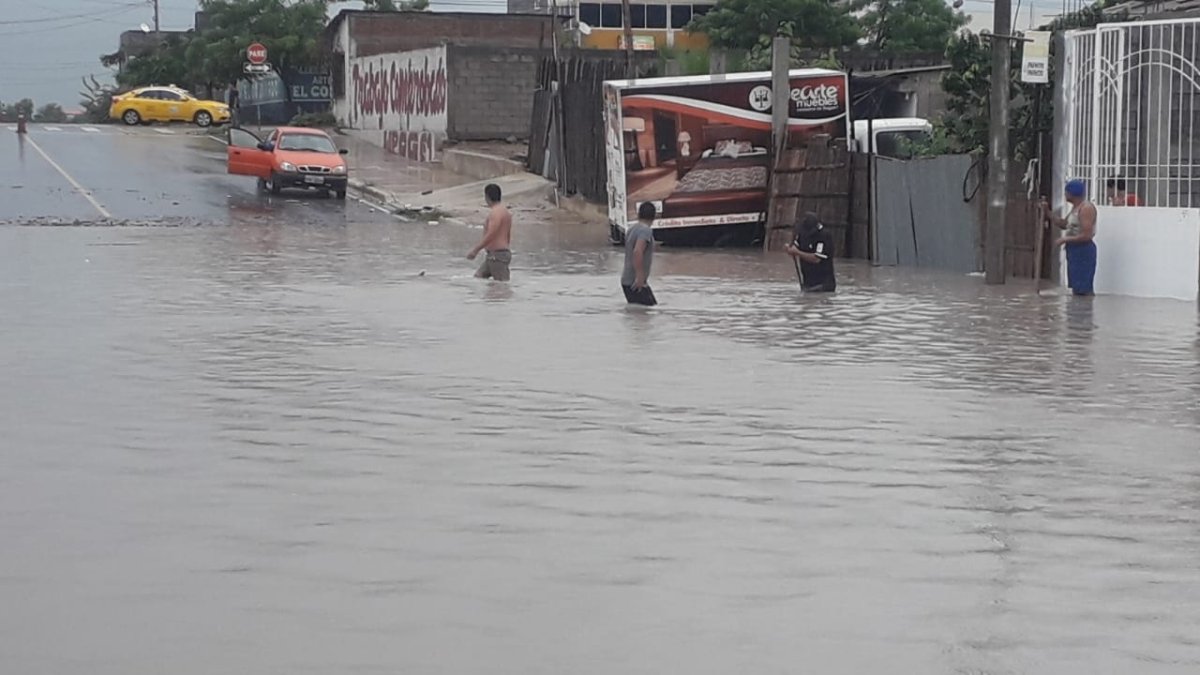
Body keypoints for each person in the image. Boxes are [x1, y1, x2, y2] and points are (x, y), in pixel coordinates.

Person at [1046, 179, 1098, 296]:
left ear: (1072, 193)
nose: (1065, 194)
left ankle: (1085, 311)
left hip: (1083, 251)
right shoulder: (1075, 208)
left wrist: (1064, 239)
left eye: (1066, 192)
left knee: (1083, 288)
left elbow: (1087, 235)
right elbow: (1064, 224)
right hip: (1074, 251)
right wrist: (1047, 213)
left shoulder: (1086, 209)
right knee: (1076, 286)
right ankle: (1077, 312)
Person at [467, 183, 513, 281]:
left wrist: (475, 250)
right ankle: (484, 296)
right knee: (478, 278)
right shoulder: (505, 212)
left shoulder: (495, 213)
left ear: (487, 197)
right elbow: (508, 236)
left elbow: (491, 234)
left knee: (502, 286)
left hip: (497, 256)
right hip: (495, 255)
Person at [785, 211, 837, 292]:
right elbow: (795, 246)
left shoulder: (824, 236)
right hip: (808, 283)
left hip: (823, 285)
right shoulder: (802, 233)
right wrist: (790, 249)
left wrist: (797, 252)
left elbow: (816, 259)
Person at [621, 202, 658, 306]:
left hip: (627, 280)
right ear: (654, 216)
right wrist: (640, 277)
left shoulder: (632, 229)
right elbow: (637, 251)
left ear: (638, 214)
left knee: (641, 314)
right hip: (636, 282)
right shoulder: (645, 231)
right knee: (646, 314)